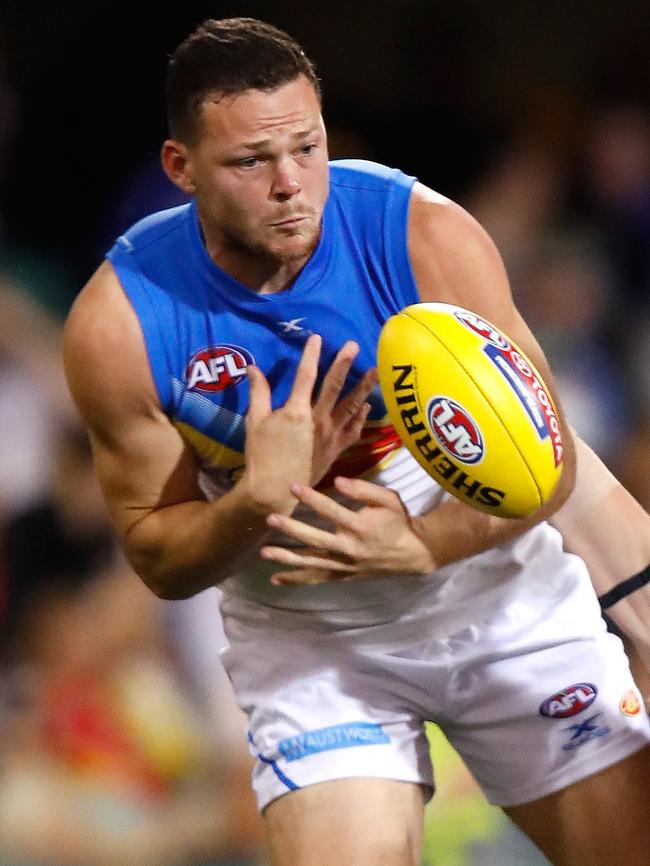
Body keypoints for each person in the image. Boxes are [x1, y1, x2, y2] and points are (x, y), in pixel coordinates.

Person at [63, 17, 650, 865]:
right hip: (314, 648)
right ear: (180, 168)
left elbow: (550, 462)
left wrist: (419, 542)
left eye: (307, 147)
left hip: (498, 605)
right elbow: (157, 558)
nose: (292, 184)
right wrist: (255, 502)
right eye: (251, 162)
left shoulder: (418, 233)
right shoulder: (122, 325)